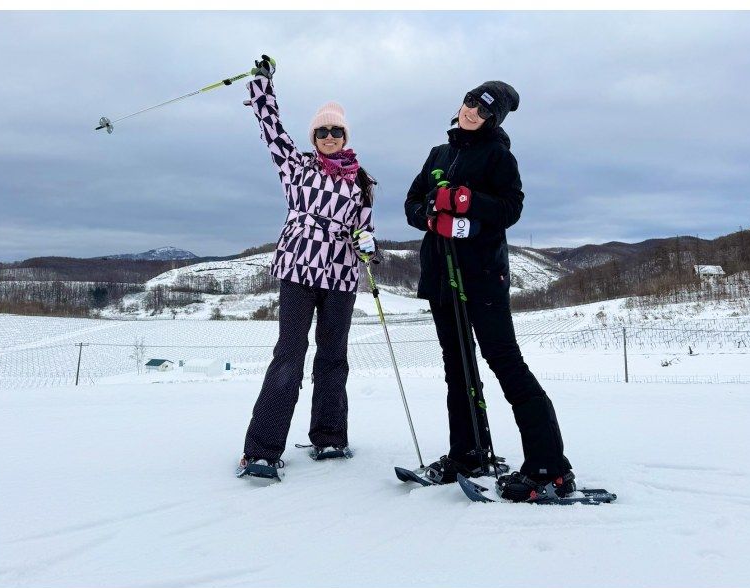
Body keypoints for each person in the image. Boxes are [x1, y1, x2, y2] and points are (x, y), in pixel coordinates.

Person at [404, 81, 575, 502]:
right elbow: (411, 202)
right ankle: (468, 453)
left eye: (483, 110)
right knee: (457, 368)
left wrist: (466, 203)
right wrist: (430, 215)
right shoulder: (439, 154)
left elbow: (510, 209)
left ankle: (550, 466)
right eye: (469, 103)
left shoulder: (499, 155)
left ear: (494, 118)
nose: (472, 113)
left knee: (504, 362)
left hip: (482, 276)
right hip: (442, 277)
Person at [237, 56, 379, 478]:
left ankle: (330, 437)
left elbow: (365, 234)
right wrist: (263, 85)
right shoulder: (296, 166)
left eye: (337, 130)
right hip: (299, 272)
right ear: (314, 135)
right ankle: (262, 448)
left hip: (340, 276)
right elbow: (270, 129)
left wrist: (368, 245)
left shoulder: (362, 182)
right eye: (323, 130)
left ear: (345, 135)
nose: (330, 136)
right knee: (289, 356)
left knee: (333, 357)